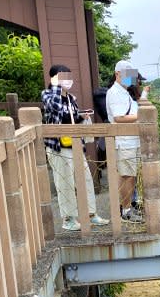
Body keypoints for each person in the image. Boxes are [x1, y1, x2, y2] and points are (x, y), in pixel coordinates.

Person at [41, 64, 109, 231]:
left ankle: (91, 214)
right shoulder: (48, 95)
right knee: (65, 183)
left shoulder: (71, 98)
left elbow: (72, 120)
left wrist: (82, 116)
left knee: (85, 179)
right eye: (62, 77)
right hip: (58, 147)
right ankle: (69, 219)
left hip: (75, 145)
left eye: (69, 77)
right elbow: (55, 111)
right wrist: (57, 88)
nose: (67, 81)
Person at [106, 60, 143, 222]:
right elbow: (119, 117)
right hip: (125, 141)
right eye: (127, 75)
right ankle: (126, 211)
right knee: (127, 176)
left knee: (131, 176)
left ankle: (129, 208)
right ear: (117, 74)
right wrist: (142, 117)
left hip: (132, 141)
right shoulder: (114, 92)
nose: (130, 79)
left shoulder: (124, 92)